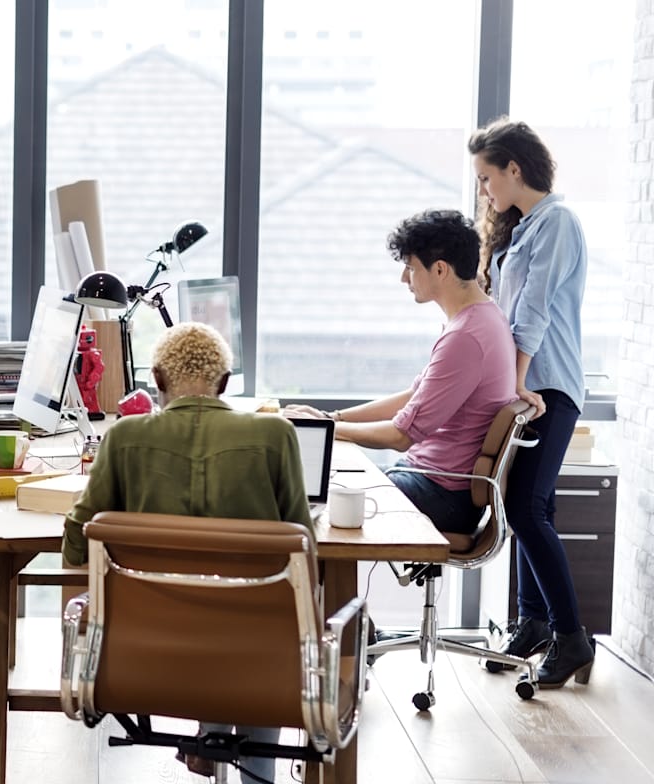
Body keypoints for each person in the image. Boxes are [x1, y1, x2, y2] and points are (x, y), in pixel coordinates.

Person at [64, 322, 309, 784]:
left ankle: (209, 737)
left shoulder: (123, 439)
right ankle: (253, 766)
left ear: (157, 380)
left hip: (151, 654)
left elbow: (78, 539)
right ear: (226, 383)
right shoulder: (276, 436)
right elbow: (302, 547)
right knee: (260, 623)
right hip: (259, 654)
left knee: (219, 623)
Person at [285, 208, 518, 539]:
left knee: (309, 496)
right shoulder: (480, 319)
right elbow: (413, 399)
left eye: (410, 268)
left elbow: (401, 436)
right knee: (321, 484)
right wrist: (331, 418)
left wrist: (327, 428)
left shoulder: (466, 336)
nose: (404, 279)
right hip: (431, 482)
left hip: (441, 495)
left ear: (440, 269)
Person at [468, 117, 594, 688]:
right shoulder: (521, 229)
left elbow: (534, 314)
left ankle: (571, 637)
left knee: (526, 509)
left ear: (514, 169)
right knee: (522, 507)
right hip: (524, 390)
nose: (485, 191)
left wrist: (518, 386)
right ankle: (533, 623)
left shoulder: (558, 223)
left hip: (549, 389)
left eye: (487, 177)